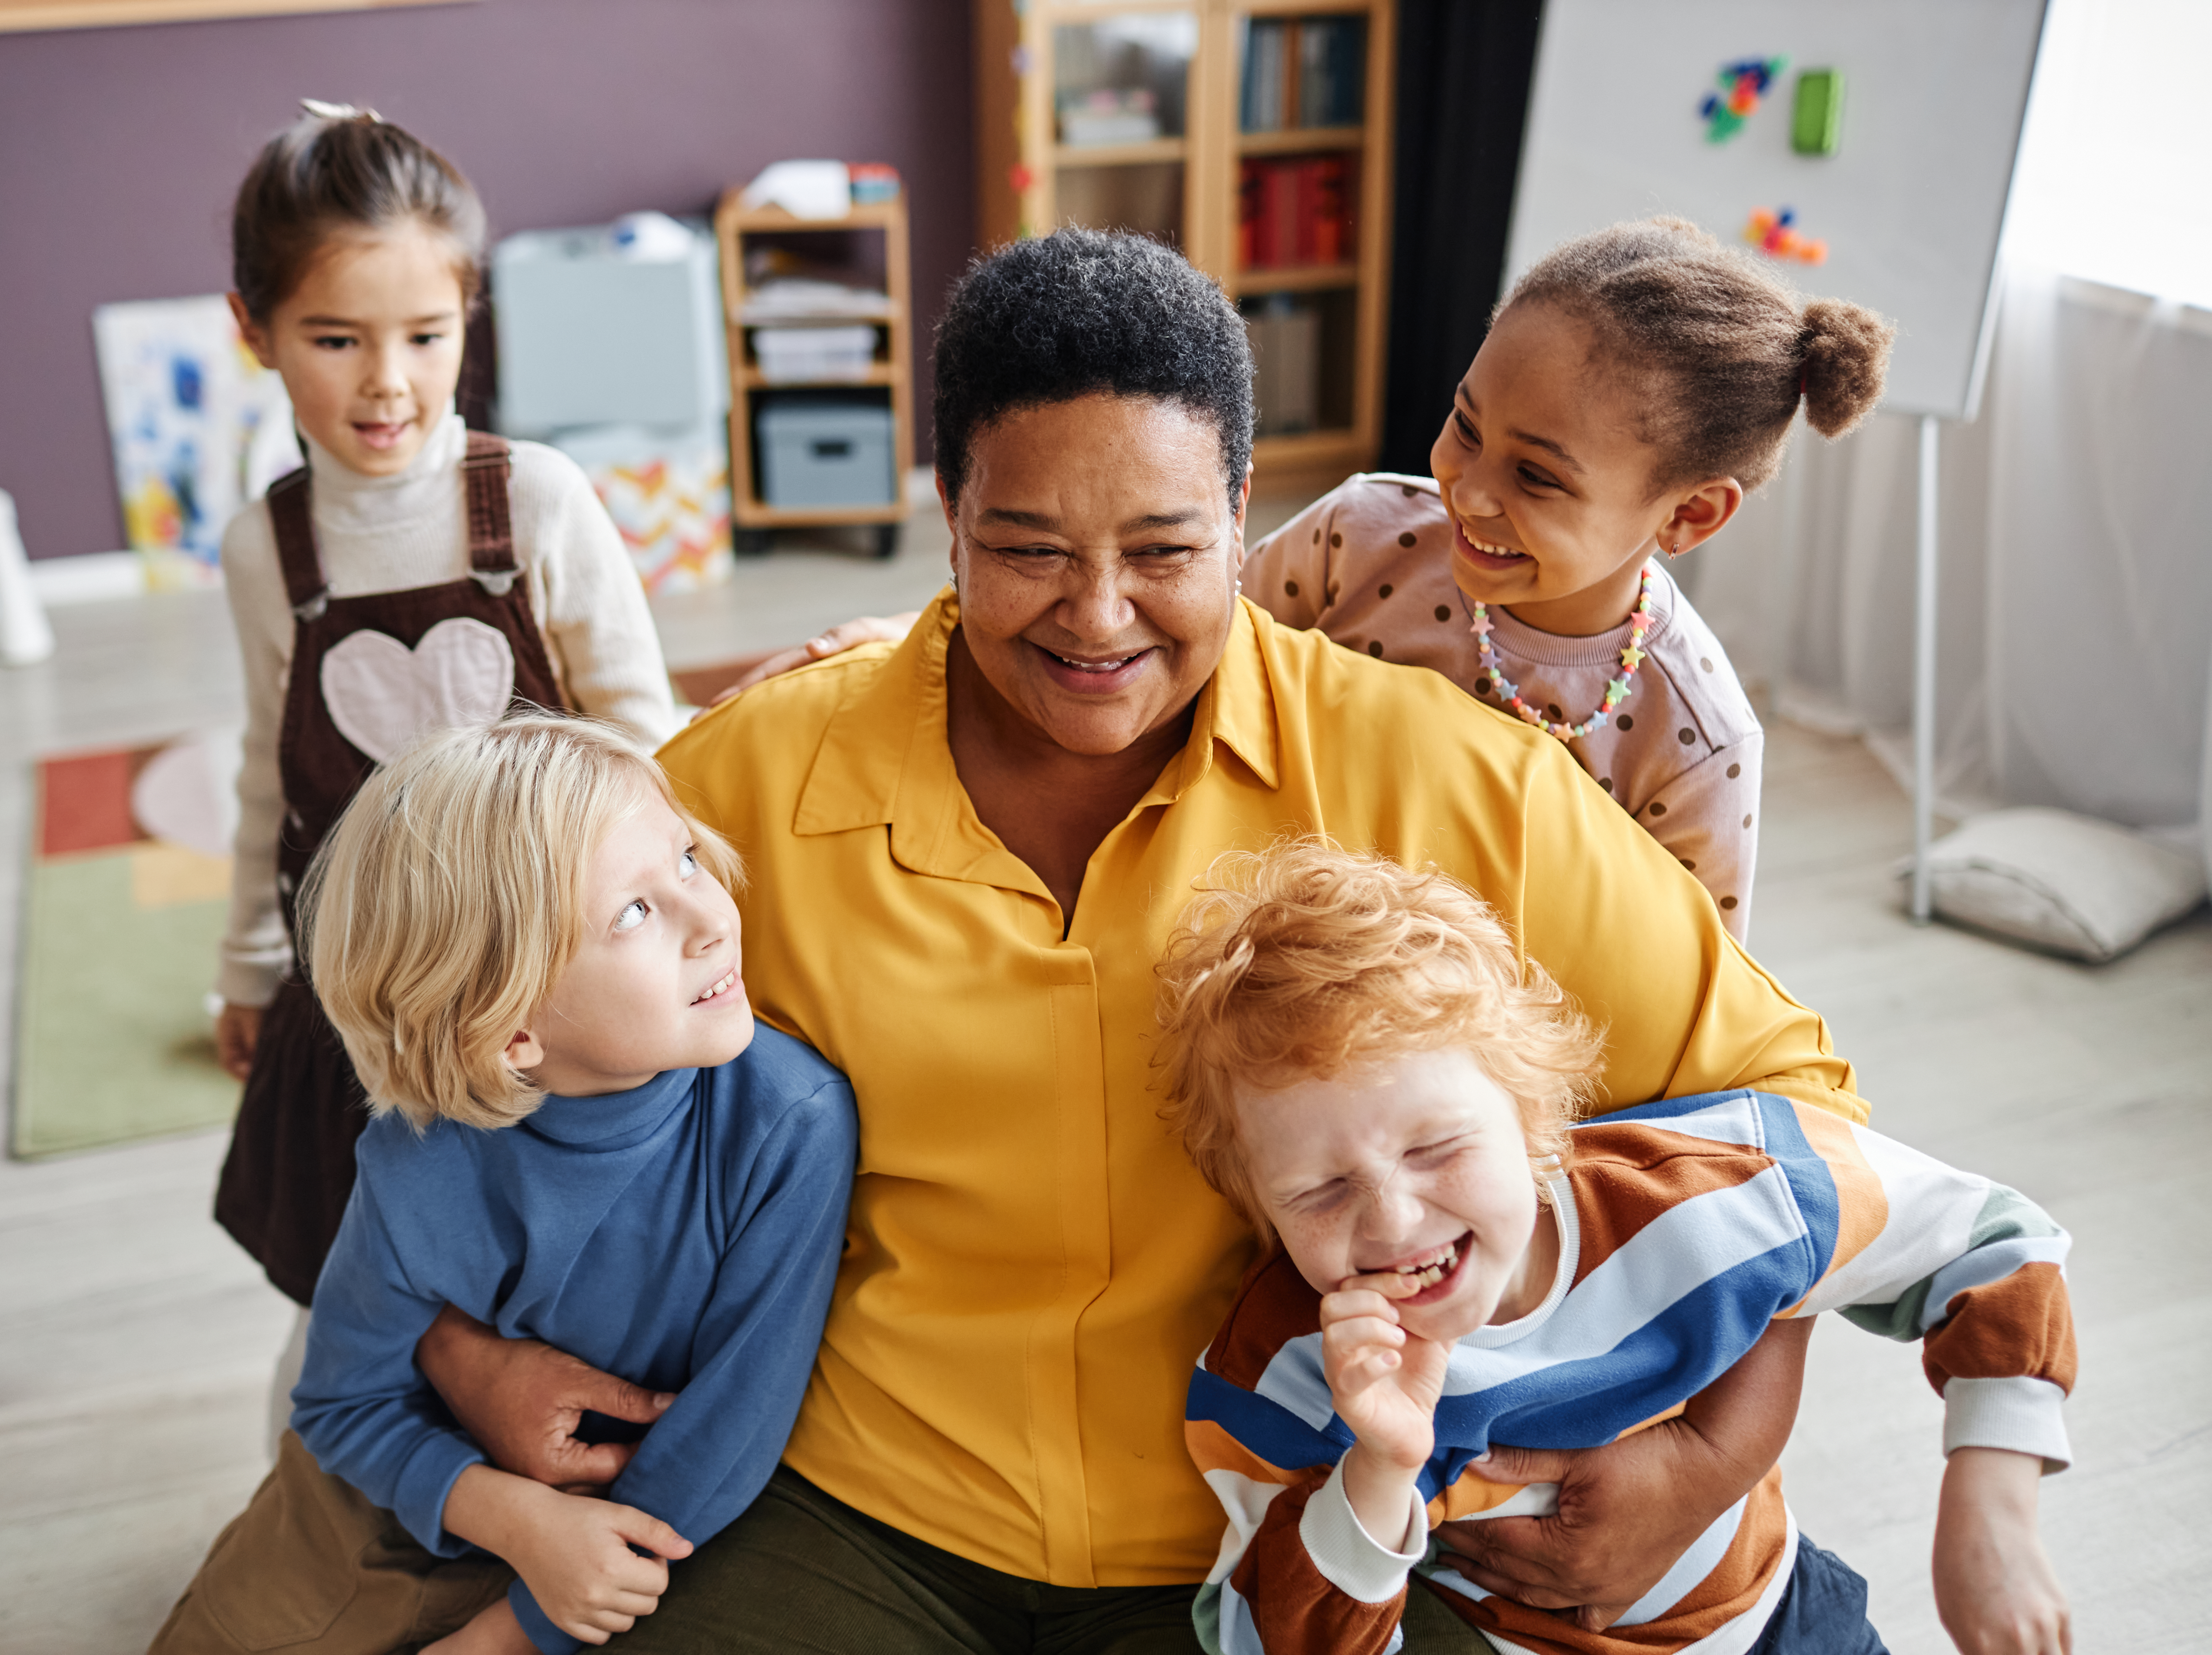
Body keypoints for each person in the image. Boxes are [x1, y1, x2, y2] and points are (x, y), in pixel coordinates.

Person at [405, 228, 1874, 1651]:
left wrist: (1714, 1458)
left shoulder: (1455, 782)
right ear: (948, 509)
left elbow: (1799, 1120)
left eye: (1165, 551)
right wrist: (461, 1355)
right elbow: (469, 1061)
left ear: (1246, 516)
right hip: (852, 1509)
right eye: (1026, 548)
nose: (1097, 617)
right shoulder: (749, 777)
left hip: (1287, 1522)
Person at [1159, 843, 2074, 1655]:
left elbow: (1994, 1244)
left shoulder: (1703, 1191)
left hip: (1787, 1619)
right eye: (1321, 1191)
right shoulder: (1283, 1368)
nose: (1394, 1222)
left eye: (1435, 1147)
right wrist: (1381, 1467)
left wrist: (1991, 1512)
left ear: (1532, 1118)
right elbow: (1257, 1633)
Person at [153, 714, 857, 1655]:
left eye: (686, 859)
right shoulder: (417, 1158)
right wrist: (514, 1519)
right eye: (634, 913)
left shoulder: (790, 1122)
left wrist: (515, 1632)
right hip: (408, 1498)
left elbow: (727, 1440)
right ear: (510, 1029)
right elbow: (338, 1402)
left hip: (635, 1543)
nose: (711, 918)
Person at [204, 106, 677, 1388]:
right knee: (358, 1270)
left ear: (473, 317)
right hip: (357, 1000)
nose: (388, 383)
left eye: (427, 336)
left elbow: (642, 742)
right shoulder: (268, 550)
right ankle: (347, 1473)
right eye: (335, 338)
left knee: (549, 1273)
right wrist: (250, 967)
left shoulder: (533, 501)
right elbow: (268, 773)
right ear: (253, 332)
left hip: (543, 983)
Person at [1244, 221, 1893, 938]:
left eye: (1536, 475)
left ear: (1691, 513)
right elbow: (1212, 689)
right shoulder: (1354, 538)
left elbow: (1693, 991)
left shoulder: (1697, 738)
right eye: (1466, 425)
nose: (1472, 491)